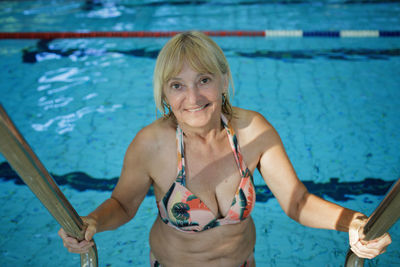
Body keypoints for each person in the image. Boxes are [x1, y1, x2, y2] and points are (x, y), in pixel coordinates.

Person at [58, 31, 392, 266]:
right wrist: (91, 222)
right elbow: (122, 204)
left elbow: (298, 202)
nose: (192, 97)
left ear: (223, 80)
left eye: (203, 80)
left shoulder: (252, 131)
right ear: (164, 94)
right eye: (177, 85)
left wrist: (356, 222)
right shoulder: (151, 144)